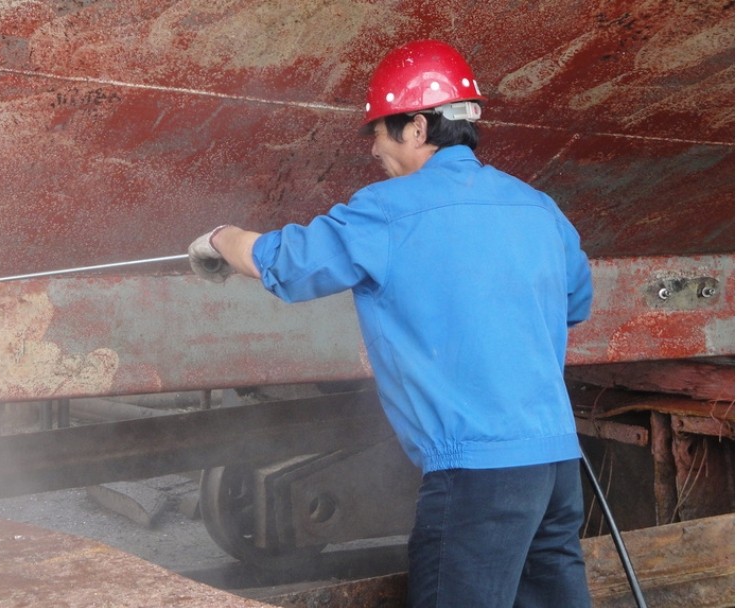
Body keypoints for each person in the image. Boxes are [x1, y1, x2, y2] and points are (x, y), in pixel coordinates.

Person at [187, 39, 594, 607]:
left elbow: (290, 263)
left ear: (418, 128)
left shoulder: (389, 210)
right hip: (555, 468)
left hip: (475, 474)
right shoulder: (537, 207)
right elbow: (575, 302)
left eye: (379, 130)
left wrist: (218, 240)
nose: (374, 147)